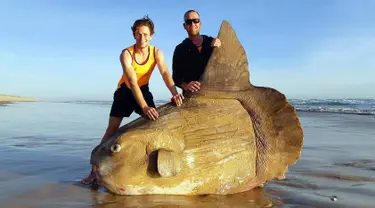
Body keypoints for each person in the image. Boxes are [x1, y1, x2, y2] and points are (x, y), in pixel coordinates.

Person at [81, 15, 184, 185]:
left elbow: (165, 73)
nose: (142, 38)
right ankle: (94, 171)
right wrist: (144, 107)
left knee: (154, 122)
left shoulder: (156, 52)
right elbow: (132, 82)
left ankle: (144, 166)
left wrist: (174, 92)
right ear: (133, 35)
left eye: (145, 34)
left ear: (151, 35)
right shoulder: (126, 53)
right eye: (138, 34)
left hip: (143, 89)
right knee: (112, 129)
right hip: (125, 91)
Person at [172, 10, 221, 94]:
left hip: (214, 93)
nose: (192, 24)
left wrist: (221, 48)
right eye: (188, 22)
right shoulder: (180, 49)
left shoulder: (213, 42)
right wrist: (186, 86)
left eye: (195, 20)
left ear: (200, 23)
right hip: (192, 96)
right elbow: (176, 78)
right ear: (184, 26)